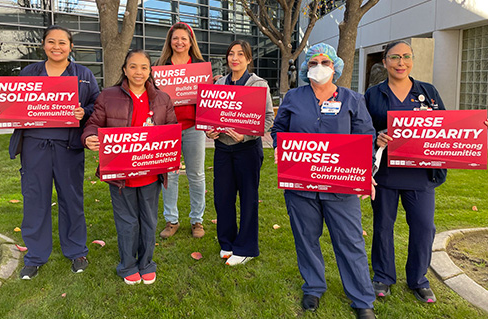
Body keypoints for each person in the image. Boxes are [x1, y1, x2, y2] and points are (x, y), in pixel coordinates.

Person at [271, 43, 376, 319]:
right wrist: (279, 147)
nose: (319, 66)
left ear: (335, 67)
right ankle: (314, 287)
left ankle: (362, 298)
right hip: (300, 186)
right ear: (307, 67)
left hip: (340, 187)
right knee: (306, 238)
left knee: (350, 240)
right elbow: (279, 128)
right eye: (314, 62)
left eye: (325, 62)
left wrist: (366, 175)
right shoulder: (293, 97)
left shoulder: (353, 100)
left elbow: (366, 139)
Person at [0, 25, 99, 279]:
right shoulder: (30, 72)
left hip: (68, 147)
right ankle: (36, 255)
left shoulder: (82, 74)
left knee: (71, 200)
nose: (57, 47)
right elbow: (13, 104)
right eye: (51, 42)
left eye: (62, 42)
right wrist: (0, 112)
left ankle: (76, 251)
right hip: (34, 146)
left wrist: (85, 113)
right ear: (43, 44)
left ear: (71, 46)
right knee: (35, 200)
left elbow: (97, 103)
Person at [82, 49, 177, 285]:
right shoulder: (108, 96)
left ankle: (146, 263)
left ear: (149, 71)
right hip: (121, 175)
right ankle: (127, 265)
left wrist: (171, 153)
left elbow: (172, 132)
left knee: (149, 221)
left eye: (144, 67)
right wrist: (89, 137)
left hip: (151, 174)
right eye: (133, 66)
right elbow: (93, 124)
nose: (138, 72)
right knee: (127, 222)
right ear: (125, 69)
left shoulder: (162, 99)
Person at [364, 40, 447, 303]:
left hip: (420, 175)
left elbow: (446, 128)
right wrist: (375, 138)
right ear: (385, 61)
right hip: (386, 174)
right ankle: (383, 277)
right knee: (383, 227)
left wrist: (477, 129)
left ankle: (418, 279)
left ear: (412, 60)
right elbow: (361, 130)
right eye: (395, 57)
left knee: (424, 227)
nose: (401, 63)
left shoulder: (428, 92)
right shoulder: (373, 94)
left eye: (406, 57)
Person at [205, 40, 274, 266]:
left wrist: (246, 135)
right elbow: (211, 116)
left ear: (249, 59)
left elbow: (268, 119)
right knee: (222, 197)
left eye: (241, 54)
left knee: (248, 198)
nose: (235, 58)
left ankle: (246, 247)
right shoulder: (219, 83)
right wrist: (210, 129)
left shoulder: (258, 84)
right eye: (231, 53)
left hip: (247, 150)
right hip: (223, 149)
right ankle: (227, 242)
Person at [155, 22, 206, 239]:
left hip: (194, 127)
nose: (179, 42)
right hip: (168, 129)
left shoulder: (200, 66)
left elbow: (208, 100)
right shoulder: (160, 67)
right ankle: (171, 220)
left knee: (196, 175)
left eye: (184, 38)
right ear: (170, 41)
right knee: (170, 175)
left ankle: (197, 220)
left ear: (190, 41)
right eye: (175, 38)